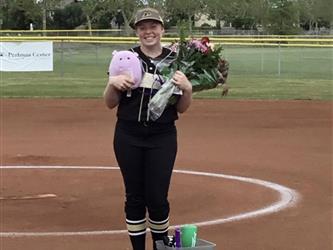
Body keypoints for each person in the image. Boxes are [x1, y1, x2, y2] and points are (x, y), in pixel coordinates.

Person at [103, 7, 193, 250]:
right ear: (137, 32)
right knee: (134, 196)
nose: (148, 31)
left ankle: (160, 245)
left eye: (153, 26)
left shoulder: (176, 60)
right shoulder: (125, 58)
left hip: (162, 136)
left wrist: (188, 88)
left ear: (162, 29)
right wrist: (112, 83)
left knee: (156, 196)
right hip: (128, 135)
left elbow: (182, 108)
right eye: (142, 27)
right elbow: (110, 103)